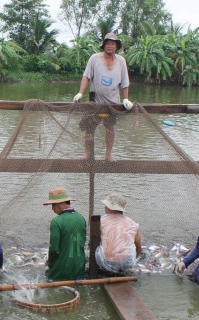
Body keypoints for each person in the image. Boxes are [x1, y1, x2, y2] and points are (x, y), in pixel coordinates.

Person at [73, 32, 133, 161]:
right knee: (90, 128)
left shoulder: (121, 61)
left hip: (113, 103)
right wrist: (80, 93)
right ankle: (88, 154)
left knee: (110, 128)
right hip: (95, 102)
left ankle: (108, 155)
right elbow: (86, 76)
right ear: (104, 45)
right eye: (107, 43)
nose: (110, 46)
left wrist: (126, 98)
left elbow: (125, 82)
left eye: (112, 43)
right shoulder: (94, 58)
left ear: (116, 46)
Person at [43, 187, 86, 280]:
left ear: (60, 203)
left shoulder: (56, 221)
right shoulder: (81, 218)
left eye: (53, 205)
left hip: (61, 271)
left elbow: (54, 249)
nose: (52, 209)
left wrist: (50, 264)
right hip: (80, 268)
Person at [95, 193, 141, 274]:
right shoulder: (132, 223)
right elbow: (138, 245)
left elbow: (94, 239)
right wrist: (135, 257)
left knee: (97, 247)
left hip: (106, 262)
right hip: (127, 263)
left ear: (109, 208)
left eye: (106, 206)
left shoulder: (102, 221)